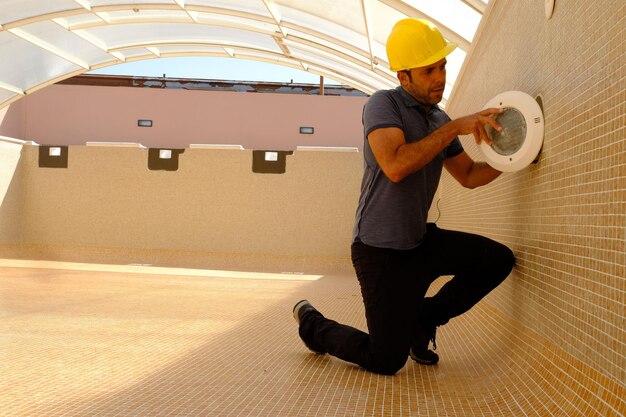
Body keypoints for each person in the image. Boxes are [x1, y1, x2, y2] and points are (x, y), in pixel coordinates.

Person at [293, 18, 515, 376]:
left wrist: (515, 155)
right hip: (379, 251)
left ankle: (423, 321)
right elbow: (395, 165)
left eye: (442, 66)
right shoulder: (383, 105)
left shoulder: (440, 117)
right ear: (404, 77)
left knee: (497, 260)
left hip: (420, 242)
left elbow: (470, 176)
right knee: (385, 359)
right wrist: (455, 127)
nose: (440, 77)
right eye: (429, 70)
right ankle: (312, 324)